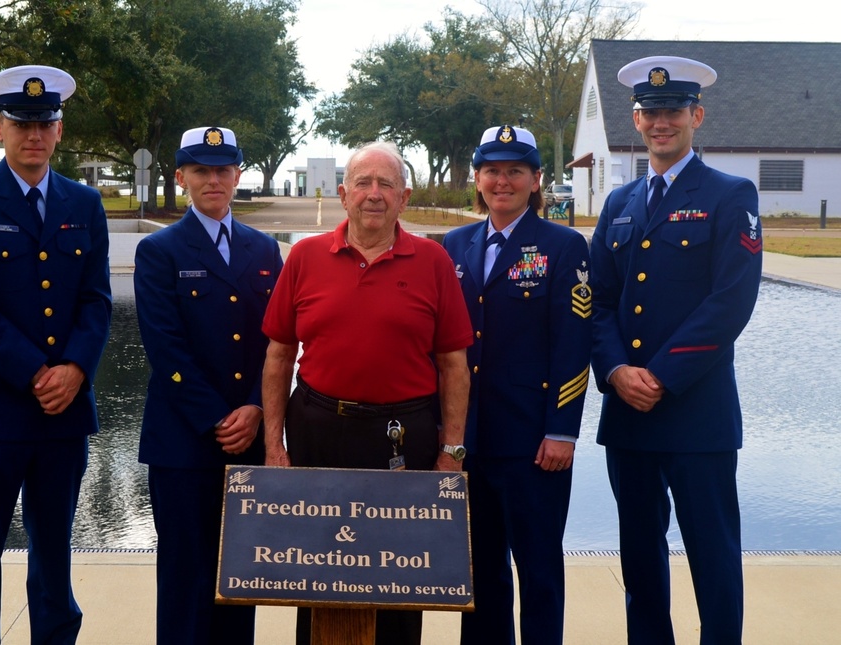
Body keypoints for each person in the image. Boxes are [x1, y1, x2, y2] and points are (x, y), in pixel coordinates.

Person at [261, 141, 473, 645]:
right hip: (317, 430)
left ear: (404, 197)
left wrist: (451, 451)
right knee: (315, 574)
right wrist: (274, 446)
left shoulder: (433, 260)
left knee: (400, 578)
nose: (373, 194)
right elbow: (277, 357)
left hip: (404, 437)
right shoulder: (306, 256)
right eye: (363, 183)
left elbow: (454, 366)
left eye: (386, 185)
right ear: (343, 194)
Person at [0, 65, 112, 644]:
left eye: (45, 123)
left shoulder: (84, 204)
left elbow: (96, 300)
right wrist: (36, 371)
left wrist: (76, 368)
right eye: (20, 123)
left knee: (55, 550)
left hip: (63, 415)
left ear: (60, 131)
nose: (33, 134)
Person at [589, 56, 763, 645]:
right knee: (640, 559)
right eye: (651, 112)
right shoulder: (620, 204)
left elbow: (730, 304)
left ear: (697, 115)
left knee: (714, 558)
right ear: (636, 121)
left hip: (696, 413)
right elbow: (600, 303)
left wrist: (659, 376)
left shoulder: (729, 195)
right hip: (629, 418)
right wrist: (614, 371)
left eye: (673, 111)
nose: (661, 122)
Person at [442, 125, 592, 645]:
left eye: (514, 171)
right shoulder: (454, 245)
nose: (501, 181)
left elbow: (574, 346)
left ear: (536, 180)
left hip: (533, 445)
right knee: (479, 576)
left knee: (539, 574)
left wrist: (562, 432)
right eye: (491, 171)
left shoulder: (563, 245)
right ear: (477, 179)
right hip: (470, 443)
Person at [134, 126, 283, 644]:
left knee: (238, 578)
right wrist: (219, 419)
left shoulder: (265, 250)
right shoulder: (160, 251)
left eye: (223, 169)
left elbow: (276, 344)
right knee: (185, 579)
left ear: (238, 174)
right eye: (201, 170)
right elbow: (166, 349)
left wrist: (254, 410)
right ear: (182, 177)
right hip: (185, 442)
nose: (213, 179)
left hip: (249, 438)